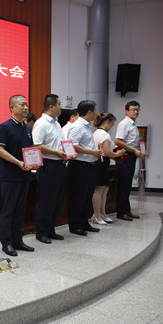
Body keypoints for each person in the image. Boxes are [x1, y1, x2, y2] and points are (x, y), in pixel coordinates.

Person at [0, 95, 38, 256]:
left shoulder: (27, 128)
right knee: (8, 211)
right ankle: (6, 243)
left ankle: (17, 240)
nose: (26, 108)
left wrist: (35, 162)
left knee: (20, 211)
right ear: (12, 107)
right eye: (22, 105)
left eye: (26, 105)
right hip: (10, 176)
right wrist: (18, 162)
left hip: (25, 175)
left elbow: (29, 150)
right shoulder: (5, 126)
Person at [32, 94, 68, 244]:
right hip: (48, 165)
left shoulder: (57, 123)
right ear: (51, 106)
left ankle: (51, 229)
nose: (61, 107)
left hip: (60, 165)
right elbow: (37, 145)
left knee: (57, 199)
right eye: (59, 104)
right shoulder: (41, 124)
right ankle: (41, 232)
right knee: (46, 200)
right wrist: (56, 153)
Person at [66, 100, 103, 236]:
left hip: (88, 166)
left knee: (86, 196)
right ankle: (75, 226)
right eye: (95, 110)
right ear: (89, 112)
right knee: (78, 197)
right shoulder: (77, 126)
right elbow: (73, 145)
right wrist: (92, 152)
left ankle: (84, 223)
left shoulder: (86, 126)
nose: (96, 113)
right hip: (79, 166)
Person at [91, 112, 126, 225]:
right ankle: (96, 215)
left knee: (105, 189)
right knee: (99, 189)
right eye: (112, 123)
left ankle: (102, 213)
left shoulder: (96, 132)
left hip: (101, 162)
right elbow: (108, 152)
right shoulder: (104, 134)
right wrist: (118, 153)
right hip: (101, 162)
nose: (112, 126)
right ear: (107, 121)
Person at [114, 101, 142, 221]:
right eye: (133, 109)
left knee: (127, 184)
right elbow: (118, 141)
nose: (136, 112)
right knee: (123, 184)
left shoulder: (133, 124)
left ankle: (126, 209)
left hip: (131, 154)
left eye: (137, 109)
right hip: (125, 155)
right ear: (127, 111)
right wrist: (133, 150)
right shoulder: (124, 124)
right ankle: (121, 211)